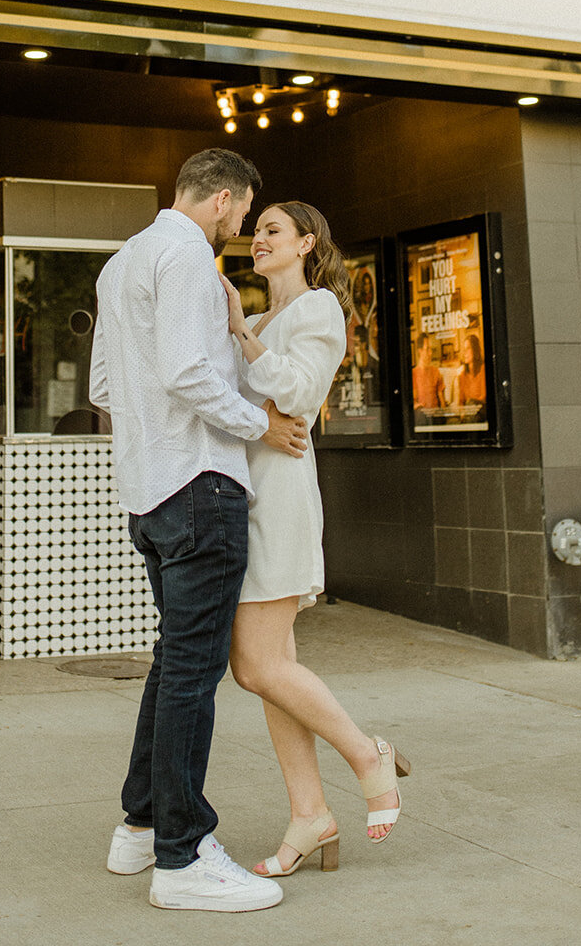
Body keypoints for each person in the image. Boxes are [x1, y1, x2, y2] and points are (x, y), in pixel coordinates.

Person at [89, 149, 309, 914]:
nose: (241, 226)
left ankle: (141, 825)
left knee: (171, 664)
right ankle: (182, 858)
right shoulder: (184, 255)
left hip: (148, 494)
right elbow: (187, 370)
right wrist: (260, 425)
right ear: (222, 198)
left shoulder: (121, 264)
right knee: (191, 673)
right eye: (243, 213)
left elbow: (104, 386)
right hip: (201, 485)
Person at [222, 202, 410, 878]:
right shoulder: (257, 318)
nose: (258, 241)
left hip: (279, 501)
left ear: (306, 243)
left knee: (255, 666)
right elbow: (237, 411)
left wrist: (244, 342)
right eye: (256, 231)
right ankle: (310, 814)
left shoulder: (317, 310)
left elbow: (298, 394)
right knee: (275, 673)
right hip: (241, 495)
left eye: (271, 230)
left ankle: (366, 755)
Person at [412, 332, 446, 411]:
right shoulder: (413, 373)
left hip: (435, 415)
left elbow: (442, 402)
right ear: (420, 351)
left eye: (431, 349)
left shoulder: (436, 371)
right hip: (421, 414)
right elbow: (413, 402)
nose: (430, 353)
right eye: (427, 349)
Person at [456, 333, 486, 409]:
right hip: (468, 413)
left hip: (480, 408)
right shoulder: (462, 376)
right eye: (464, 349)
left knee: (471, 403)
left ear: (475, 349)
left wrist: (470, 406)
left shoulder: (483, 369)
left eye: (468, 348)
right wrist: (462, 413)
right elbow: (461, 401)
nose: (464, 352)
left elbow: (483, 397)